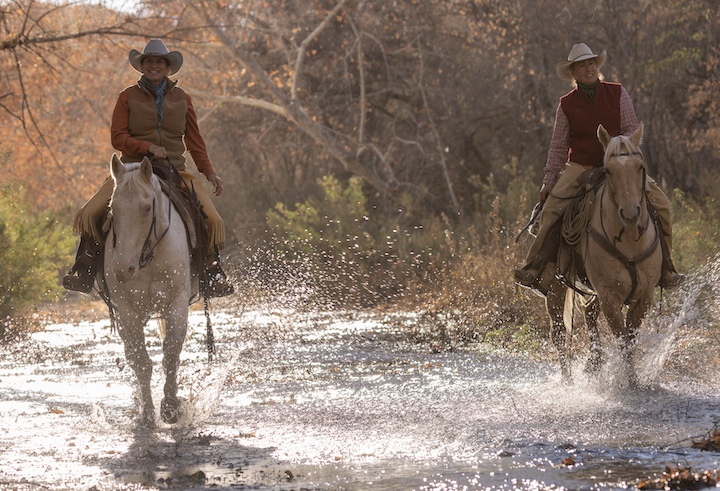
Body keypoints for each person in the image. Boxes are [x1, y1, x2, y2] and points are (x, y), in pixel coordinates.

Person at [63, 38, 234, 298]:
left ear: (167, 68)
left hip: (174, 169)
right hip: (131, 170)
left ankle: (212, 273)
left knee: (212, 219)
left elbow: (195, 141)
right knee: (90, 212)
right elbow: (117, 138)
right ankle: (85, 269)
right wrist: (147, 148)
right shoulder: (127, 96)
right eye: (149, 62)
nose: (154, 66)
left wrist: (209, 172)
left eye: (159, 62)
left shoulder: (183, 99)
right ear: (142, 67)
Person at [514, 42, 683, 292]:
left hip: (620, 162)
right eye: (582, 65)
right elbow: (558, 146)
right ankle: (534, 267)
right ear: (573, 73)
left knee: (661, 205)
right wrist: (549, 181)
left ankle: (667, 267)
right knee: (552, 210)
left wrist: (616, 148)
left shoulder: (617, 92)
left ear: (597, 66)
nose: (588, 68)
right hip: (581, 166)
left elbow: (630, 128)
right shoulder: (566, 104)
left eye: (591, 63)